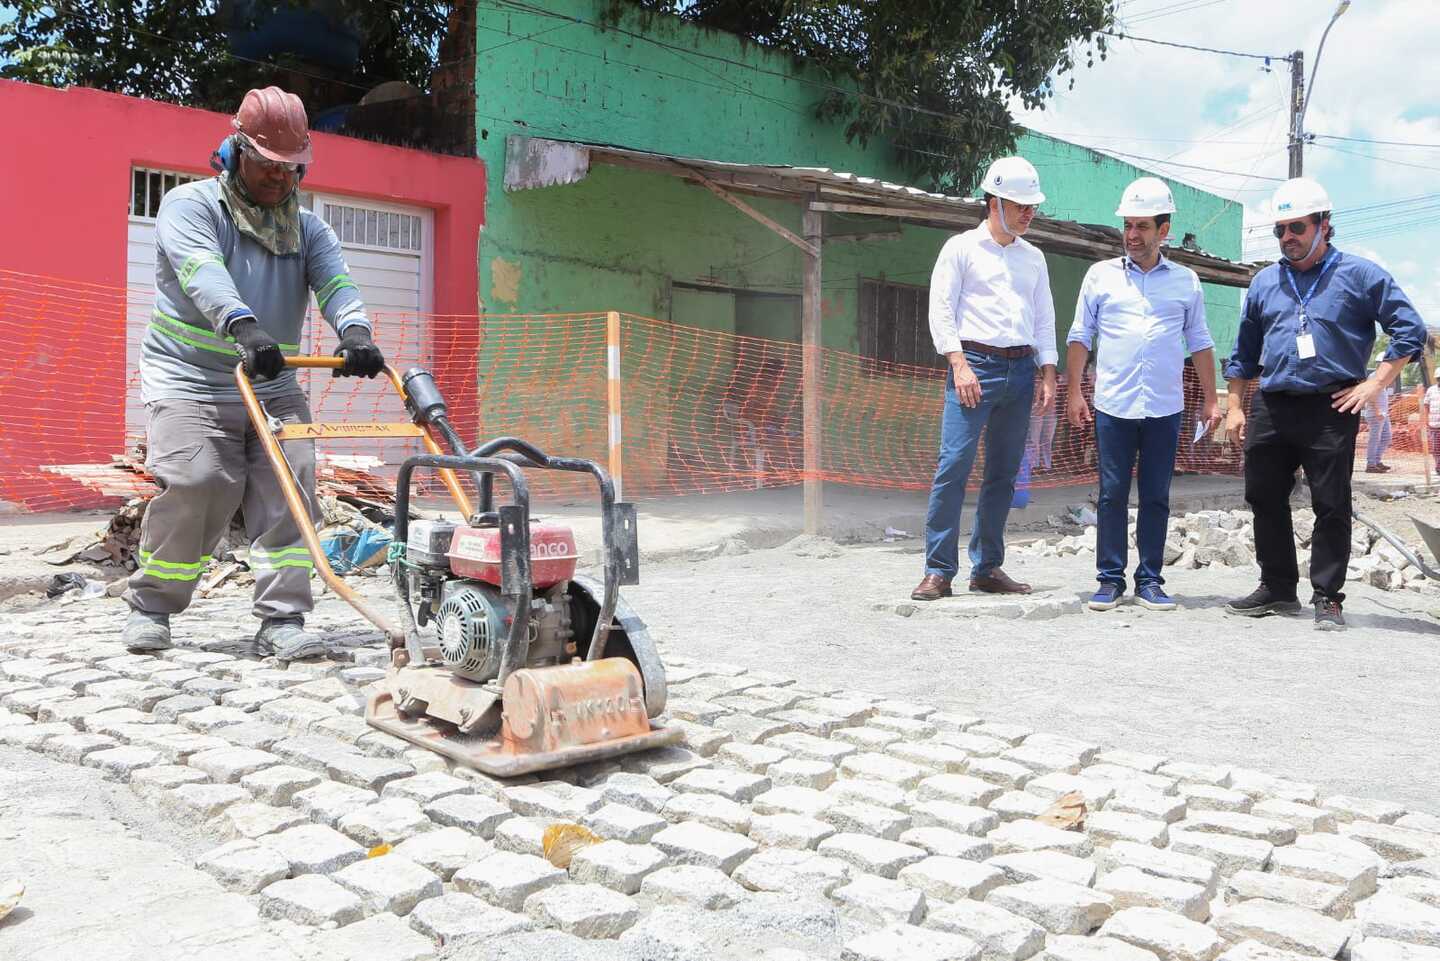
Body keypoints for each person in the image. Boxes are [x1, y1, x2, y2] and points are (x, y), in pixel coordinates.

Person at [123, 87, 386, 658]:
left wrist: (356, 333)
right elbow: (201, 272)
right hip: (189, 377)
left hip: (271, 379)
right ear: (237, 150)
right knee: (198, 483)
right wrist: (244, 326)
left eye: (291, 169)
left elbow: (336, 284)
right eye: (267, 165)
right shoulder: (192, 206)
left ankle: (282, 619)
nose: (279, 179)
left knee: (294, 482)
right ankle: (153, 605)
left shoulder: (309, 229)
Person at [1222, 177, 1425, 630]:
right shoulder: (1264, 283)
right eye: (1280, 230)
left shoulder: (1361, 275)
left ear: (1324, 225)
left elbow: (1409, 329)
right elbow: (1243, 352)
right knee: (1263, 496)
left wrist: (1376, 383)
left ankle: (1327, 596)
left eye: (1296, 227)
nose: (1287, 238)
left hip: (1332, 407)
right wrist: (1236, 405)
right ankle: (1277, 587)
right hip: (1272, 405)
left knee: (1330, 504)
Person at [1066, 177, 1221, 612]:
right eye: (1128, 226)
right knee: (1112, 494)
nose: (1132, 235)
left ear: (1164, 230)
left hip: (1164, 407)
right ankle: (1109, 580)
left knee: (1156, 495)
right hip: (1112, 405)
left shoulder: (1186, 282)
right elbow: (1081, 335)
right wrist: (1075, 391)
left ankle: (1150, 579)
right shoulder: (1099, 276)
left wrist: (1212, 399)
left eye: (1142, 227)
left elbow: (1201, 341)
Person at [911, 156, 1057, 601]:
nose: (1029, 214)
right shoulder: (960, 248)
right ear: (993, 202)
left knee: (1003, 475)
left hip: (1021, 371)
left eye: (1033, 207)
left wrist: (1048, 372)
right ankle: (939, 570)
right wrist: (959, 364)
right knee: (952, 468)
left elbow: (1044, 318)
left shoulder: (1034, 258)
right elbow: (941, 308)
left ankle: (987, 568)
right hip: (973, 368)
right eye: (1021, 206)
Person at [1362, 378, 1393, 472]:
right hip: (1376, 414)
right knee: (1374, 439)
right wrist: (1377, 411)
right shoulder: (1375, 376)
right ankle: (1371, 464)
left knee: (1386, 437)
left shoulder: (1384, 376)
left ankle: (1376, 461)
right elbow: (1371, 395)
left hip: (1383, 414)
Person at [1426, 379, 1440, 474]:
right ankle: (1438, 468)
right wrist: (1426, 419)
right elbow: (1426, 405)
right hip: (1434, 424)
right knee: (1435, 449)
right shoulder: (1431, 390)